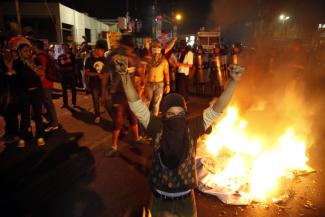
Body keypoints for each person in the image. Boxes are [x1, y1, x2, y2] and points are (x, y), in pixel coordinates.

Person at [115, 53, 244, 216]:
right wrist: (233, 81)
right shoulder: (185, 126)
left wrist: (124, 76)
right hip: (173, 199)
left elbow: (136, 105)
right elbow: (217, 109)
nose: (176, 119)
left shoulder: (166, 126)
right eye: (172, 115)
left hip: (170, 198)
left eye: (178, 114)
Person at [101, 34, 144, 157]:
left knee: (133, 115)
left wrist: (141, 88)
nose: (128, 50)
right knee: (118, 119)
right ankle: (114, 146)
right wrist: (103, 94)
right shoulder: (113, 56)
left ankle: (137, 137)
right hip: (118, 94)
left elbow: (140, 74)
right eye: (126, 47)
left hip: (131, 93)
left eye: (129, 48)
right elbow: (105, 77)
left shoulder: (133, 57)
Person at [13, 43, 46, 147]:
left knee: (37, 114)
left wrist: (31, 64)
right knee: (25, 115)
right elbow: (14, 77)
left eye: (29, 50)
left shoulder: (35, 60)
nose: (28, 52)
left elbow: (41, 73)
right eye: (25, 51)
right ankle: (23, 136)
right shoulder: (17, 63)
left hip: (36, 91)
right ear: (20, 53)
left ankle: (40, 136)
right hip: (24, 93)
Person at [32, 39, 59, 132]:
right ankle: (52, 121)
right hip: (48, 83)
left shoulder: (40, 56)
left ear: (35, 46)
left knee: (48, 104)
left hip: (44, 84)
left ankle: (54, 124)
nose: (31, 47)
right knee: (47, 104)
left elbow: (42, 72)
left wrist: (38, 83)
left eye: (32, 46)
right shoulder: (44, 55)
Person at [85, 39, 109, 123]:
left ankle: (112, 116)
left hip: (104, 85)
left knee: (106, 101)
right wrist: (97, 75)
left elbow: (108, 71)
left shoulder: (105, 59)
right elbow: (87, 73)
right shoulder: (89, 60)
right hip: (94, 84)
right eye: (102, 50)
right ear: (97, 49)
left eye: (104, 51)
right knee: (95, 101)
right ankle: (97, 115)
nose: (103, 52)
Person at [145, 42, 170, 116]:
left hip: (160, 84)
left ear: (160, 49)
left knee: (156, 105)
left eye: (158, 48)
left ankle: (154, 121)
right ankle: (144, 121)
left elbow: (166, 73)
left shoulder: (164, 61)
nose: (156, 51)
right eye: (154, 48)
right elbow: (143, 72)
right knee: (146, 103)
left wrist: (168, 85)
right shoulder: (148, 60)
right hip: (149, 84)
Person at [58, 44, 77, 108]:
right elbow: (59, 65)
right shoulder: (59, 56)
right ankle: (65, 103)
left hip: (71, 74)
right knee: (64, 90)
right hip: (63, 75)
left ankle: (74, 102)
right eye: (63, 48)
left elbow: (72, 63)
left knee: (73, 89)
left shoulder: (71, 55)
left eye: (66, 47)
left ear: (68, 48)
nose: (64, 49)